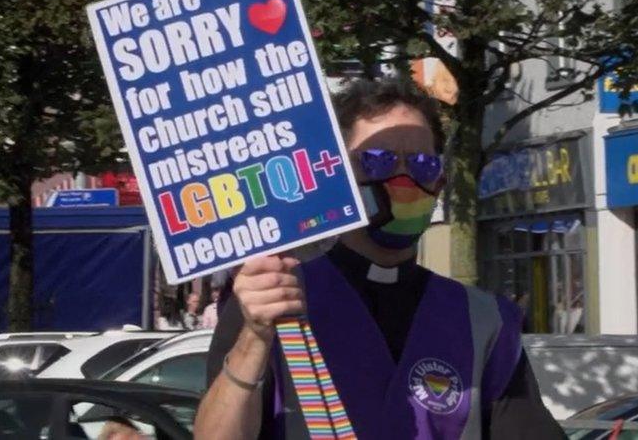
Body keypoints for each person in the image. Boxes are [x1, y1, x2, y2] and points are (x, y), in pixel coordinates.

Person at [195, 78, 563, 439]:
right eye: (377, 161)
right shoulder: (272, 300)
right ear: (338, 175)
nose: (402, 178)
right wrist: (255, 338)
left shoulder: (484, 321)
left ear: (440, 184)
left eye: (421, 164)